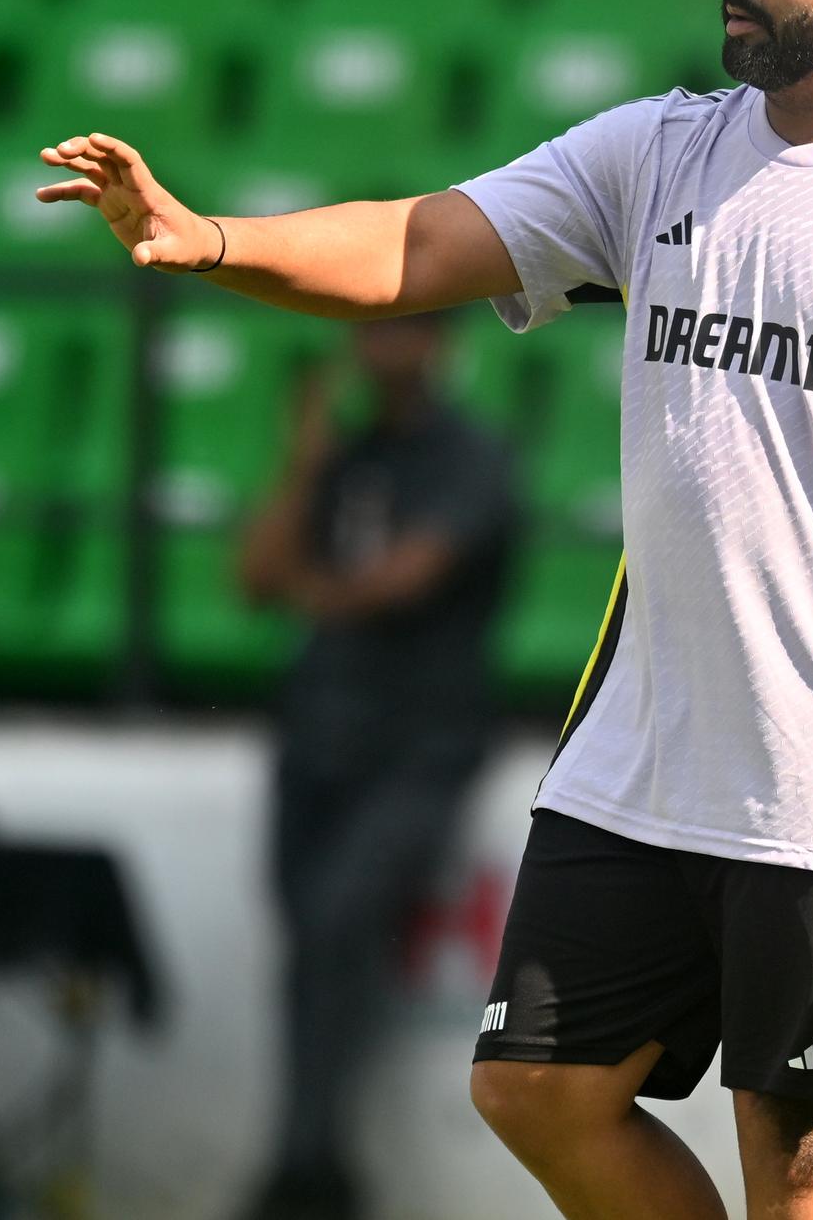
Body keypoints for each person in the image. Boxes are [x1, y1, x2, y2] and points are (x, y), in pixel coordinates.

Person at [36, 0, 813, 1220]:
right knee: (536, 1084)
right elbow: (417, 241)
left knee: (801, 1164)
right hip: (639, 759)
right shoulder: (662, 149)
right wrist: (209, 237)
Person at [233, 314, 516, 1220]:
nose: (385, 347)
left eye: (406, 329)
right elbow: (253, 576)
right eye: (372, 330)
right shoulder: (343, 458)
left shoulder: (472, 458)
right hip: (316, 736)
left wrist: (312, 592)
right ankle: (308, 1162)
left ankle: (308, 1170)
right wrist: (304, 463)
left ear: (441, 343)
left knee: (336, 918)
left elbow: (402, 580)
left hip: (418, 746)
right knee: (307, 940)